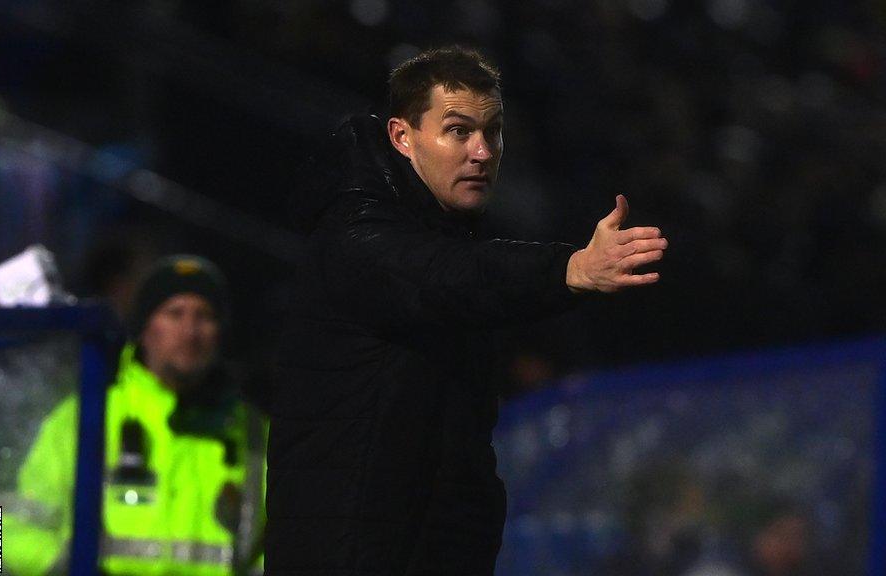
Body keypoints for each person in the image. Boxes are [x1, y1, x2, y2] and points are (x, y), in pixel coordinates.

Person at [266, 46, 667, 575]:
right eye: (458, 131)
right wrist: (568, 269)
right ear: (402, 137)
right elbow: (444, 274)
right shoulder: (357, 234)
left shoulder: (445, 231)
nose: (482, 151)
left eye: (493, 131)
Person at [2, 254, 266, 576]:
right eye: (174, 313)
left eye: (205, 316)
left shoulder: (254, 433)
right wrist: (66, 569)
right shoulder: (87, 417)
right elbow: (1, 531)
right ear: (144, 327)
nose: (190, 330)